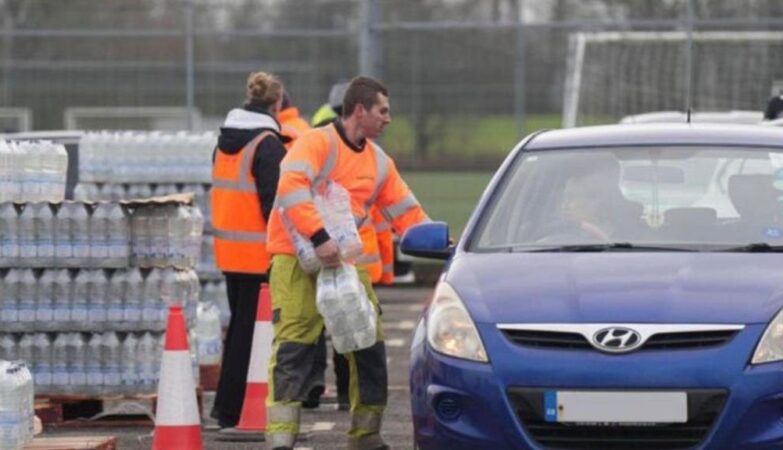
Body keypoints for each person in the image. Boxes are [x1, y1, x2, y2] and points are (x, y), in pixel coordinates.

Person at [265, 76, 430, 450]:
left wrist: (443, 243)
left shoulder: (378, 162)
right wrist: (319, 237)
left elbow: (406, 211)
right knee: (294, 345)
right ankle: (280, 440)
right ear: (360, 110)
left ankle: (366, 435)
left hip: (343, 263)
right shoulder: (316, 143)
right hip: (295, 258)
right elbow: (289, 186)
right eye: (382, 111)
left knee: (368, 343)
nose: (388, 119)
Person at [209, 71, 288, 431]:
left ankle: (227, 408)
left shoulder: (224, 140)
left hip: (230, 253)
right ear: (276, 104)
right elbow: (274, 203)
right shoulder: (268, 144)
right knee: (254, 337)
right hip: (260, 255)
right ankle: (236, 412)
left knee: (239, 333)